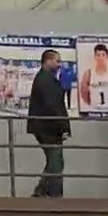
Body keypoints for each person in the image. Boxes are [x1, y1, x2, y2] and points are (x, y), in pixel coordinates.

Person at [27, 49, 69, 198]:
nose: (59, 64)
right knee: (56, 161)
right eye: (57, 61)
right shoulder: (47, 81)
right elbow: (54, 106)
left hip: (44, 126)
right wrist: (63, 127)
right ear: (48, 61)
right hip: (49, 127)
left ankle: (43, 190)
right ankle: (52, 193)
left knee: (54, 160)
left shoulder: (43, 79)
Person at [79, 43, 108, 112]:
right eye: (98, 55)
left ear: (107, 56)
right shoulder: (88, 73)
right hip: (94, 112)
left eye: (103, 55)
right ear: (95, 57)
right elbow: (84, 93)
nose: (101, 58)